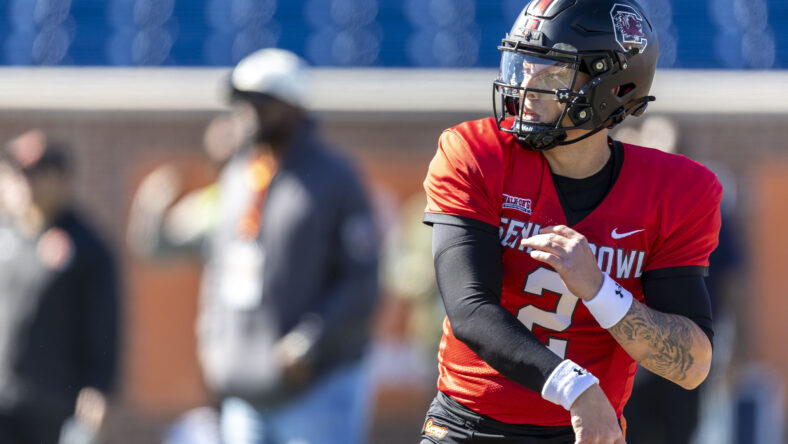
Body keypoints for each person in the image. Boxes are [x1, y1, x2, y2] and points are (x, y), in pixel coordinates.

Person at [418, 0, 721, 442]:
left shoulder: (675, 191)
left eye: (553, 71)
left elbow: (691, 365)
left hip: (585, 434)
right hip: (469, 425)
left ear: (616, 87)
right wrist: (575, 388)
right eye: (522, 65)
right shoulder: (475, 153)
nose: (526, 85)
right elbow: (470, 311)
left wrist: (601, 292)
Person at [127, 48, 380, 444]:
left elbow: (362, 279)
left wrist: (308, 342)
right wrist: (150, 213)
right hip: (243, 393)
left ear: (294, 106)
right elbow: (171, 247)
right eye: (241, 102)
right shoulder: (238, 177)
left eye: (259, 101)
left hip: (316, 388)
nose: (246, 111)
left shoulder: (335, 178)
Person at [0, 130, 119, 444]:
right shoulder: (6, 234)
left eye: (36, 174)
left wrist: (98, 386)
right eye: (18, 174)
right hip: (4, 397)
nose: (26, 183)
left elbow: (105, 320)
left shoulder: (85, 244)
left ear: (61, 179)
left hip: (55, 401)